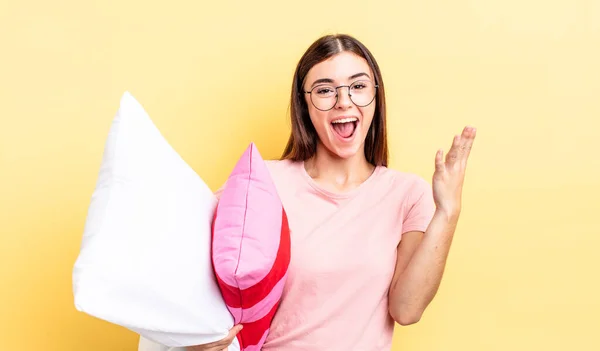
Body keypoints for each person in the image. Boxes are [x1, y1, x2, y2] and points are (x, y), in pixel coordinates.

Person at [140, 33, 476, 351]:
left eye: (358, 86)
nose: (344, 101)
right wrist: (192, 336)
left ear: (375, 96)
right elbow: (179, 260)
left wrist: (448, 211)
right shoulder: (263, 181)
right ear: (305, 106)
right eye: (325, 90)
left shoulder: (406, 193)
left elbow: (406, 309)